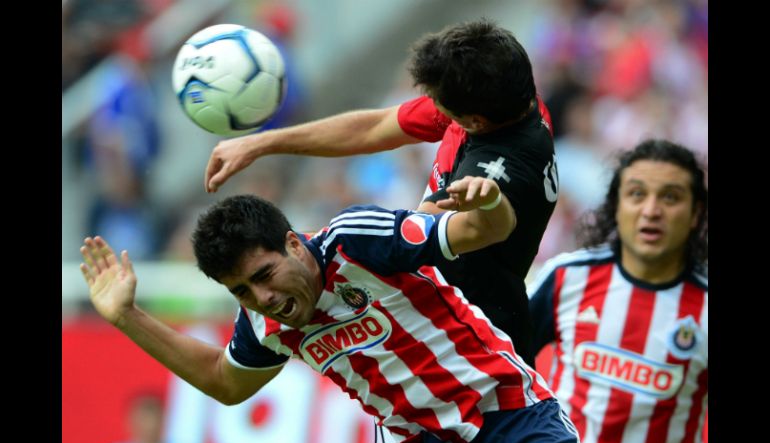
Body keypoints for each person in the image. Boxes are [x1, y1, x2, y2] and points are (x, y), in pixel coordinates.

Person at [81, 176, 599, 443]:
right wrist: (128, 315)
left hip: (508, 420)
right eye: (240, 291)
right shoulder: (264, 321)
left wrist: (488, 201)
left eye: (263, 276)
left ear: (293, 243)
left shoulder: (358, 241)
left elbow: (489, 229)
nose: (262, 299)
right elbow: (225, 381)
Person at [203, 19, 558, 367]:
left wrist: (314, 251)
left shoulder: (501, 166)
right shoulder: (496, 95)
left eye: (441, 106)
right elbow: (375, 128)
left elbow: (419, 236)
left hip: (478, 352)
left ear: (473, 121)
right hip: (434, 337)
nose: (431, 106)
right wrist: (261, 143)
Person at [528, 139, 707, 443]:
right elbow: (503, 368)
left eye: (670, 197)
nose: (651, 210)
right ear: (616, 205)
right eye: (637, 194)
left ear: (695, 213)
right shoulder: (566, 277)